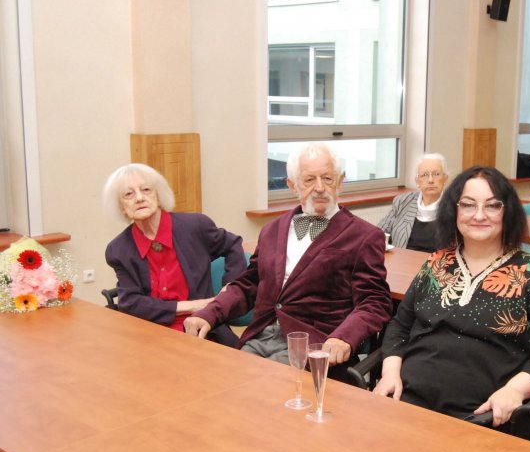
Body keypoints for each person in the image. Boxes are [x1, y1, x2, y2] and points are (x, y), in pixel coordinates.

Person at [373, 166, 530, 428]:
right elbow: (400, 325)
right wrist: (390, 372)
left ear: (508, 212)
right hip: (407, 399)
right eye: (468, 205)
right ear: (454, 210)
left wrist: (515, 390)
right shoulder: (436, 263)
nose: (479, 215)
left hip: (483, 414)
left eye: (492, 206)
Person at [184, 143, 393, 375]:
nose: (320, 188)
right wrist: (209, 313)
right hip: (260, 336)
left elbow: (375, 301)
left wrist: (344, 338)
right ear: (292, 185)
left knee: (256, 387)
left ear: (340, 181)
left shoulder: (364, 236)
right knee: (218, 380)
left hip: (314, 345)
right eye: (309, 180)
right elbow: (249, 284)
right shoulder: (272, 230)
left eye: (327, 178)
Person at [104, 163, 246, 347]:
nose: (139, 198)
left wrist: (230, 287)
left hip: (204, 330)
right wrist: (194, 305)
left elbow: (233, 245)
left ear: (158, 196)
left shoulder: (195, 226)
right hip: (149, 335)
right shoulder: (119, 250)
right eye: (128, 194)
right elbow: (131, 303)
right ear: (122, 207)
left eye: (146, 190)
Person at [378, 153, 448, 252]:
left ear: (445, 179)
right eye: (424, 175)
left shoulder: (454, 206)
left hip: (438, 262)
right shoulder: (403, 201)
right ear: (417, 181)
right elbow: (379, 232)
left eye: (436, 174)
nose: (430, 180)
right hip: (402, 260)